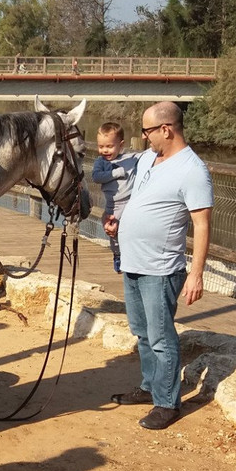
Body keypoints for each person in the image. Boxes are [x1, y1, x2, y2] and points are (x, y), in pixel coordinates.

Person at [114, 102, 213, 430]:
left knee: (161, 337)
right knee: (141, 333)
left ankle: (168, 404)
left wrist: (196, 273)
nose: (143, 138)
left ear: (166, 130)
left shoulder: (192, 170)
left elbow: (201, 224)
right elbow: (140, 198)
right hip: (133, 262)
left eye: (147, 131)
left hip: (161, 269)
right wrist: (118, 219)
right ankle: (149, 386)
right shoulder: (147, 159)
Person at [91, 122, 140, 273]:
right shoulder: (101, 162)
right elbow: (96, 177)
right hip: (112, 204)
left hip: (130, 202)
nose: (104, 150)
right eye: (101, 146)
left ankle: (132, 256)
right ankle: (117, 255)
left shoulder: (131, 159)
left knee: (129, 231)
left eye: (109, 146)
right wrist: (115, 173)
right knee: (112, 232)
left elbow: (150, 154)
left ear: (121, 144)